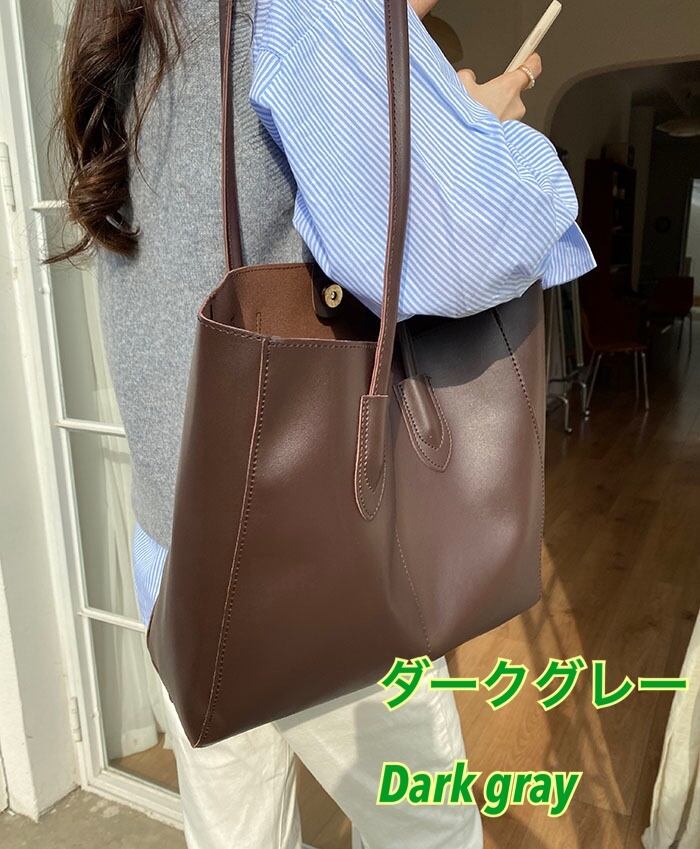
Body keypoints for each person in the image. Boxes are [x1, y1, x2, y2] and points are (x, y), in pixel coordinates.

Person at [53, 1, 596, 847]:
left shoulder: (143, 13)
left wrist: (421, 128)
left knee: (236, 831)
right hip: (318, 562)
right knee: (428, 831)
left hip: (180, 549)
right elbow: (457, 248)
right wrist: (475, 136)